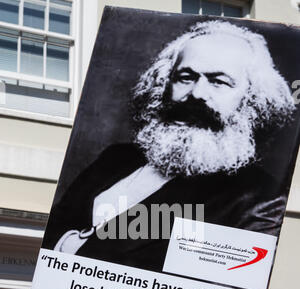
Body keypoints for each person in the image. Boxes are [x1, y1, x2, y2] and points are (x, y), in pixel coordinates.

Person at [42, 20, 296, 272]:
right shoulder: (117, 158)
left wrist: (74, 248)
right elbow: (55, 225)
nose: (196, 94)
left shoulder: (257, 199)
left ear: (251, 98)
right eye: (185, 77)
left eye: (219, 81)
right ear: (165, 84)